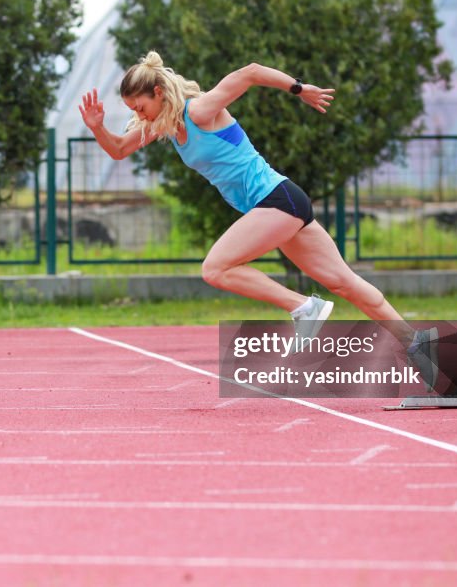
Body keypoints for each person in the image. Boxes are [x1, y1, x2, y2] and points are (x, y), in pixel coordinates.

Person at [79, 51, 437, 386]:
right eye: (133, 111)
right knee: (344, 282)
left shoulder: (200, 112)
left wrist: (299, 88)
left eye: (141, 107)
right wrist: (97, 127)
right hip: (280, 206)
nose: (139, 116)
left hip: (276, 199)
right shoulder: (164, 126)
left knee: (215, 269)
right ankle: (417, 342)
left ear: (158, 93)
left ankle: (305, 307)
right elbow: (120, 149)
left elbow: (249, 73)